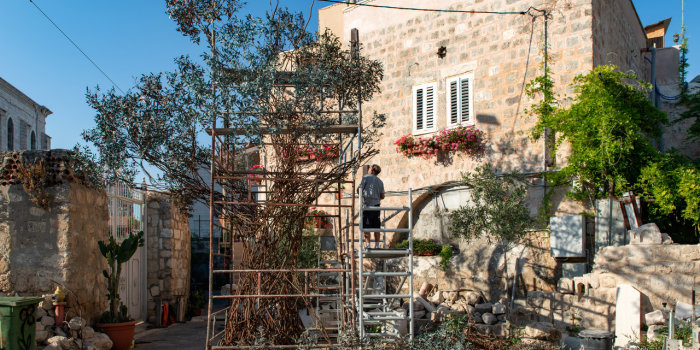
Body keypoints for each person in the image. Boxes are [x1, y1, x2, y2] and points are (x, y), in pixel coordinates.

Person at [359, 164, 385, 249]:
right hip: (377, 206)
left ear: (373, 170)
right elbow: (382, 196)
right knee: (376, 226)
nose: (369, 169)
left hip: (367, 205)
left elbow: (359, 189)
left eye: (370, 168)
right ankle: (377, 245)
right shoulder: (380, 181)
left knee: (366, 227)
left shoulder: (366, 177)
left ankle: (368, 245)